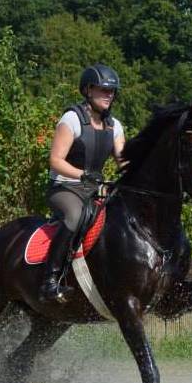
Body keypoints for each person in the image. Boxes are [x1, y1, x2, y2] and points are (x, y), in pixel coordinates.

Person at [39, 64, 126, 303]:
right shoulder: (72, 119)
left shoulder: (114, 125)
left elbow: (123, 161)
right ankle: (50, 280)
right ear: (88, 90)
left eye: (112, 91)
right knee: (75, 217)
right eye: (103, 90)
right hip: (65, 188)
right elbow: (55, 160)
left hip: (94, 190)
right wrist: (82, 175)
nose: (109, 94)